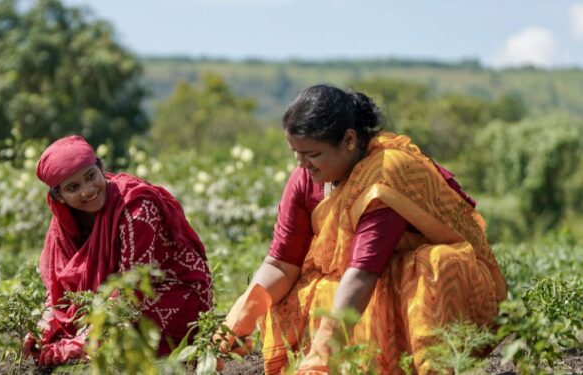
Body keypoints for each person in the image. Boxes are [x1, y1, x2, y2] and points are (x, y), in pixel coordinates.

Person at [216, 84, 507, 374]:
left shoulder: (385, 175)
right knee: (295, 295)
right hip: (360, 286)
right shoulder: (306, 179)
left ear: (350, 140)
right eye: (296, 153)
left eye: (312, 154)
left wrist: (322, 356)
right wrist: (237, 320)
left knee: (436, 266)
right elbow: (281, 264)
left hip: (409, 286)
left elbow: (364, 272)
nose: (302, 164)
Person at [23, 135, 213, 366]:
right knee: (56, 339)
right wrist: (44, 327)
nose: (87, 191)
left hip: (169, 294)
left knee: (118, 341)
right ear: (59, 196)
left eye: (90, 176)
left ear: (101, 169)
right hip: (108, 304)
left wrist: (78, 343)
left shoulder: (136, 210)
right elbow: (58, 291)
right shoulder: (63, 226)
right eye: (73, 187)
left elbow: (131, 292)